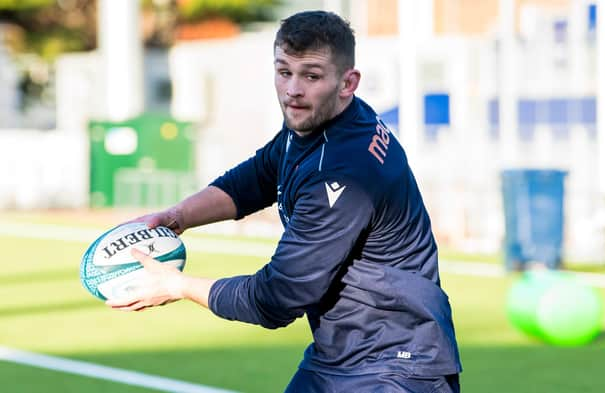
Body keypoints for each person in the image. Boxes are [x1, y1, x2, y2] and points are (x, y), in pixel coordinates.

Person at [107, 10, 462, 392]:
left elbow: (277, 297)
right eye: (283, 72)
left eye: (311, 75)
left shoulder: (344, 172)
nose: (293, 89)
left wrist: (178, 286)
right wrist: (180, 215)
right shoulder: (319, 120)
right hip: (340, 355)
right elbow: (261, 173)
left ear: (348, 82)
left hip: (397, 364)